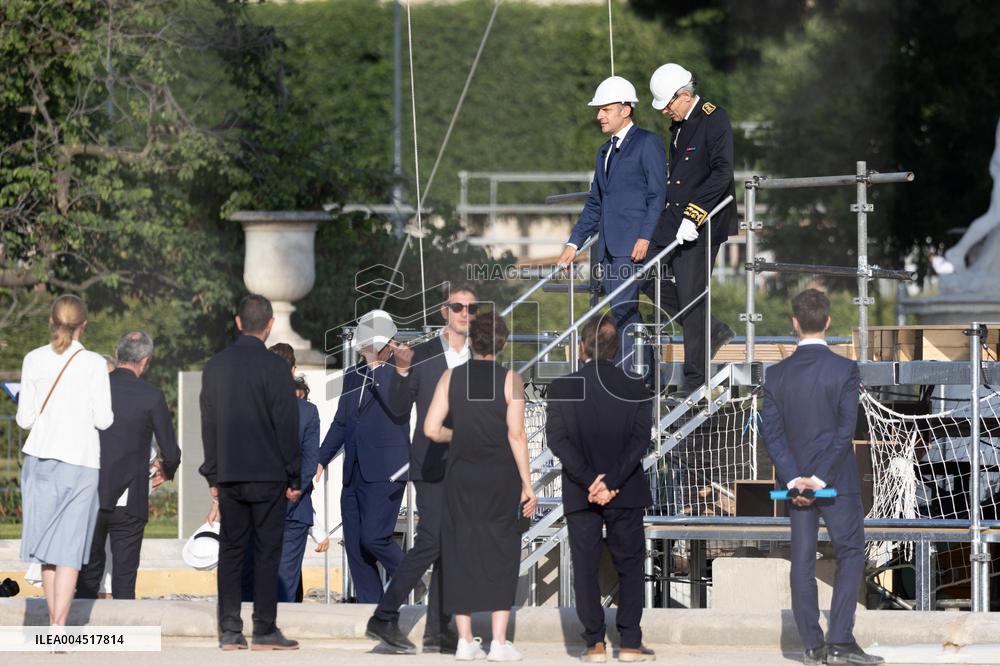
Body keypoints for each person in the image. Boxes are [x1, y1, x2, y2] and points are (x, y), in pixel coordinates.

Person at [762, 289, 882, 665]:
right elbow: (845, 430)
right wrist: (818, 478)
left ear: (794, 323)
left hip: (794, 486)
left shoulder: (775, 374)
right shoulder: (844, 369)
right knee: (850, 553)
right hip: (837, 481)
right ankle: (840, 640)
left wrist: (796, 478)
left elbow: (772, 434)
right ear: (827, 322)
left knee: (802, 560)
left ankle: (812, 646)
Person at [366, 285, 478, 655]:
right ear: (445, 312)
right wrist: (399, 370)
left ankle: (437, 630)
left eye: (471, 309)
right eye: (458, 307)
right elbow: (398, 408)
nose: (464, 314)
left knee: (452, 547)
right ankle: (384, 615)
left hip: (465, 466)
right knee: (432, 539)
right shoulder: (424, 355)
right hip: (430, 463)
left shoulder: (480, 358)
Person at [423, 311, 536, 662]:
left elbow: (430, 429)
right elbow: (516, 435)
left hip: (460, 476)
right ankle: (499, 642)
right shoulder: (511, 380)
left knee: (460, 550)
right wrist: (527, 484)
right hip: (500, 476)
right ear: (501, 345)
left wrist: (459, 436)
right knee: (502, 551)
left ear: (472, 341)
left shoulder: (450, 377)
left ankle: (464, 640)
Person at [546, 314, 656, 663]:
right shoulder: (636, 386)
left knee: (586, 565)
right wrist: (610, 481)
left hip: (582, 491)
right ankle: (630, 643)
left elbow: (557, 440)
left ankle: (594, 642)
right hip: (625, 489)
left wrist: (589, 480)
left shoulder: (564, 387)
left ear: (582, 348)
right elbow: (640, 441)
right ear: (617, 348)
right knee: (630, 564)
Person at [200, 294, 301, 651]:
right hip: (270, 474)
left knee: (231, 551)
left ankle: (230, 630)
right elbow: (287, 426)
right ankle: (264, 628)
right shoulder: (276, 369)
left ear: (238, 321)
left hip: (230, 473)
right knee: (267, 551)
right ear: (270, 324)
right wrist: (294, 477)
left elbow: (208, 425)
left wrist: (212, 475)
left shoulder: (215, 367)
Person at [558, 76, 666, 376]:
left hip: (631, 248)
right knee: (623, 312)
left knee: (623, 310)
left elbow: (658, 195)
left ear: (625, 110)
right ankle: (640, 375)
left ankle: (631, 377)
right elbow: (596, 203)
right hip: (607, 248)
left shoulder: (648, 143)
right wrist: (573, 243)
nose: (599, 115)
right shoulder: (604, 151)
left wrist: (645, 237)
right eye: (599, 109)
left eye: (605, 109)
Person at [15, 295, 113, 627]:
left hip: (41, 459)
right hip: (81, 461)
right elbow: (104, 419)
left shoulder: (33, 359)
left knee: (47, 548)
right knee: (69, 549)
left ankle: (52, 626)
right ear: (84, 324)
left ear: (51, 322)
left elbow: (24, 420)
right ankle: (59, 627)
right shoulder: (94, 364)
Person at [646, 63, 737, 401]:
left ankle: (695, 377)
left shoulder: (714, 118)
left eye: (669, 105)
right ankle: (711, 330)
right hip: (674, 218)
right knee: (644, 273)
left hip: (702, 221)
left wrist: (694, 216)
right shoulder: (681, 123)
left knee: (692, 291)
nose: (667, 112)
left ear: (684, 96)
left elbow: (721, 173)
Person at [77, 330, 181, 600]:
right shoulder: (152, 396)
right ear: (145, 361)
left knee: (87, 575)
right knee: (125, 576)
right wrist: (166, 470)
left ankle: (77, 635)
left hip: (89, 493)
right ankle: (125, 636)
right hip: (129, 496)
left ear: (116, 350)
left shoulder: (89, 389)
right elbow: (170, 450)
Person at [316, 332, 409, 604]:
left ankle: (410, 575)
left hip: (386, 472)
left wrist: (376, 367)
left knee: (374, 537)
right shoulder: (353, 374)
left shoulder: (400, 371)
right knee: (355, 546)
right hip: (354, 471)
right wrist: (321, 459)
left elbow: (396, 405)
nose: (359, 345)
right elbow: (341, 423)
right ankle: (372, 609)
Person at [268, 344, 320, 603]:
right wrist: (295, 489)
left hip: (260, 505)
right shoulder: (308, 412)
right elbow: (311, 461)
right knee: (286, 579)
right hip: (295, 505)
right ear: (293, 370)